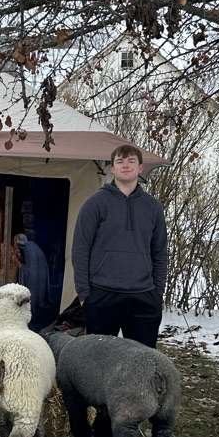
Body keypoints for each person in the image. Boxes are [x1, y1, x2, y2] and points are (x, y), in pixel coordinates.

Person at [71, 144, 167, 348]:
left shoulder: (153, 207)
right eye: (120, 161)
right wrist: (85, 296)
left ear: (140, 168)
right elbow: (80, 250)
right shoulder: (95, 203)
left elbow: (159, 253)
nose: (126, 165)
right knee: (99, 363)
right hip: (101, 296)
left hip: (144, 297)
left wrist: (157, 293)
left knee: (142, 365)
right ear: (112, 168)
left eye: (131, 161)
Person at [14, 233, 53, 331]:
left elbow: (30, 272)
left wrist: (19, 265)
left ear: (18, 242)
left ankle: (32, 323)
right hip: (39, 281)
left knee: (33, 305)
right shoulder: (32, 246)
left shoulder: (29, 250)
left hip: (35, 284)